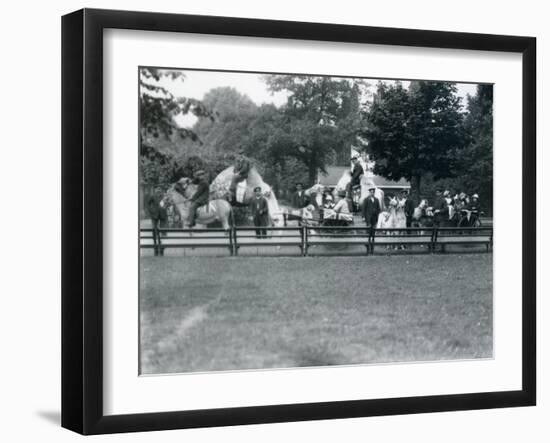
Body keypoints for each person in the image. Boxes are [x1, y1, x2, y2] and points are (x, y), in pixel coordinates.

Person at [146, 187, 168, 256]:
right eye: (157, 190)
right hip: (154, 216)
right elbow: (147, 204)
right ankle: (155, 248)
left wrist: (166, 206)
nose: (159, 191)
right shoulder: (152, 196)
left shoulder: (165, 196)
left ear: (161, 191)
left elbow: (169, 203)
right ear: (155, 191)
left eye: (160, 190)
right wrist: (151, 211)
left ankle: (162, 249)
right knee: (154, 231)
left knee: (163, 232)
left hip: (163, 216)